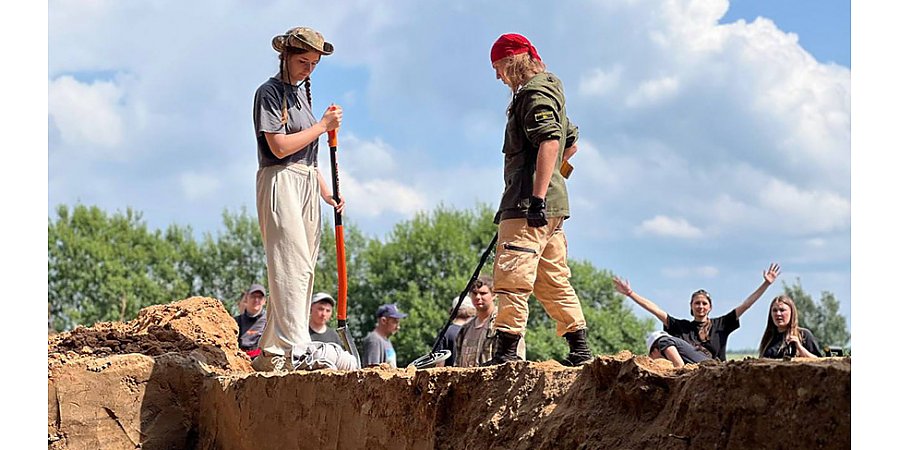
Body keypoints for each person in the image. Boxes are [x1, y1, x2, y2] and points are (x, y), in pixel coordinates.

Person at [485, 33, 592, 367]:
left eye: (499, 67)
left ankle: (505, 354)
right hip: (553, 211)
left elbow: (549, 141)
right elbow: (568, 142)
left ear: (515, 60)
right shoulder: (551, 91)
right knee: (551, 280)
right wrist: (554, 182)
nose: (499, 76)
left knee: (511, 277)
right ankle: (580, 349)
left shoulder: (532, 93)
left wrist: (536, 196)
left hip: (528, 206)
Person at [251, 26, 344, 372]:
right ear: (286, 57)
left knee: (302, 268)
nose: (308, 68)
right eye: (303, 61)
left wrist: (326, 192)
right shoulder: (270, 93)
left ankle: (273, 350)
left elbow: (308, 155)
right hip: (280, 179)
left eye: (314, 63)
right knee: (290, 263)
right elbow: (278, 147)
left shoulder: (302, 96)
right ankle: (299, 347)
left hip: (305, 180)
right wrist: (322, 126)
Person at [613, 263, 781, 361]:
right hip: (691, 369)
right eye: (697, 303)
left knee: (663, 340)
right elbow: (655, 310)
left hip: (711, 367)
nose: (700, 306)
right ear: (691, 306)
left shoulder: (721, 324)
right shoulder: (681, 327)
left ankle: (679, 370)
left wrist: (765, 284)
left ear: (710, 307)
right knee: (662, 339)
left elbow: (746, 305)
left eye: (704, 303)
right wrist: (630, 294)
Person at [455, 275, 527, 368]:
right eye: (474, 293)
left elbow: (517, 361)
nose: (478, 297)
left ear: (494, 294)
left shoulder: (505, 323)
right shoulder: (465, 329)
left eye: (483, 293)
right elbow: (457, 364)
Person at [758, 295, 822, 359]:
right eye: (774, 310)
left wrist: (799, 347)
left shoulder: (803, 335)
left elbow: (819, 361)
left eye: (782, 310)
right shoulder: (769, 337)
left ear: (791, 312)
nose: (778, 314)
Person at [433, 296, 476, 367]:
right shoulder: (479, 330)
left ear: (453, 311)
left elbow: (439, 363)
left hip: (452, 376)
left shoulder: (446, 332)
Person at [361, 303, 407, 368]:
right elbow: (371, 373)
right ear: (383, 321)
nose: (398, 327)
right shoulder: (374, 341)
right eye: (395, 322)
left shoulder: (386, 340)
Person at [234, 284, 268, 359]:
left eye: (260, 297)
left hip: (261, 361)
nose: (256, 300)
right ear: (246, 298)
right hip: (240, 360)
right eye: (253, 296)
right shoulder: (235, 321)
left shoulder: (269, 322)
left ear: (264, 301)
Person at [646, 330, 711, 369]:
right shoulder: (675, 341)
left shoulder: (664, 342)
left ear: (654, 351)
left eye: (651, 357)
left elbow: (679, 365)